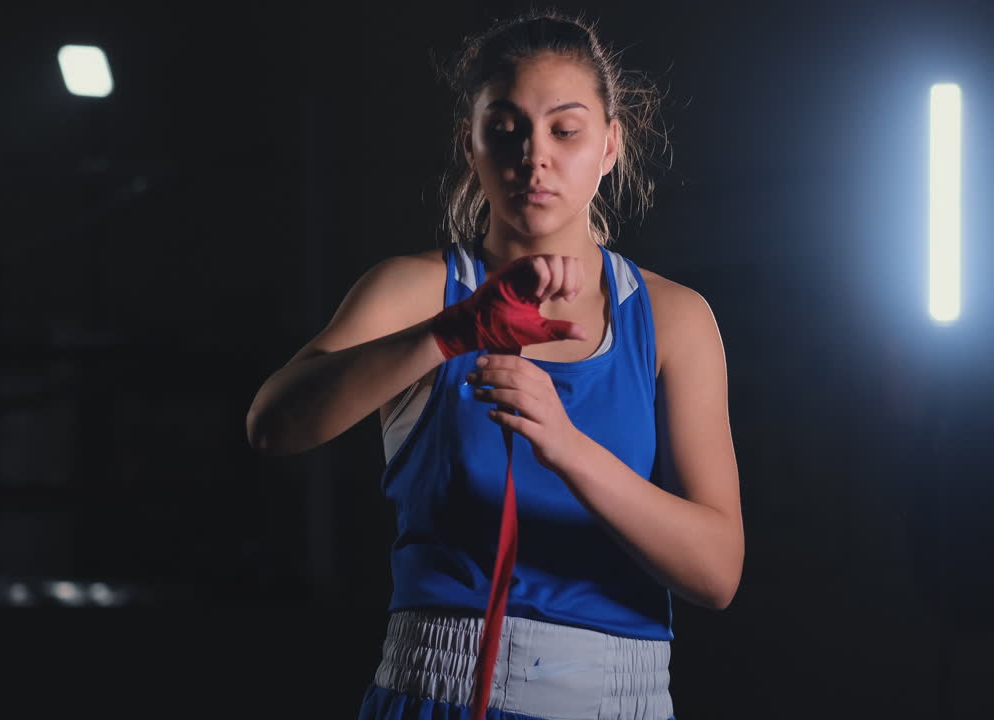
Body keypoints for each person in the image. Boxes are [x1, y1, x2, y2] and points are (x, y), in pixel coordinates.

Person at [246, 9, 743, 720]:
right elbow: (273, 424)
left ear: (609, 146)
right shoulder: (417, 290)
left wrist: (566, 445)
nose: (534, 155)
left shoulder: (673, 319)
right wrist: (450, 332)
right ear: (470, 144)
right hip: (438, 689)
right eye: (505, 128)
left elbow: (717, 571)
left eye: (564, 130)